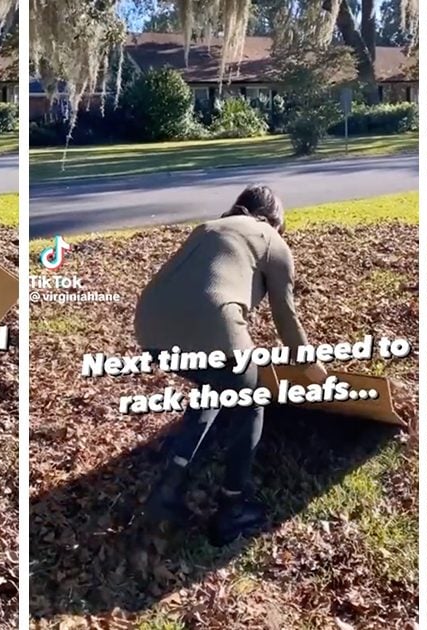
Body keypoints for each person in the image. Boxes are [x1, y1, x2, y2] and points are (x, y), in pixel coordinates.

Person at [133, 184, 327, 547]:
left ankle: (169, 487)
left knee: (216, 387)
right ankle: (233, 507)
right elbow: (286, 319)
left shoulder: (208, 228)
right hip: (213, 323)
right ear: (273, 219)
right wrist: (313, 369)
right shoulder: (273, 241)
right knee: (250, 402)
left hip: (149, 325)